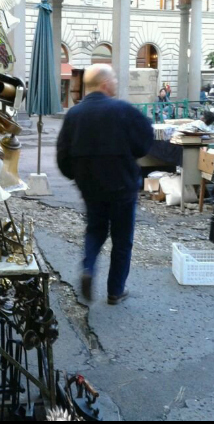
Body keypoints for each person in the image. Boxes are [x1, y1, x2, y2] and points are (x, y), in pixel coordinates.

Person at [57, 64, 155, 305]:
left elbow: (62, 156)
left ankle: (88, 268)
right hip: (122, 186)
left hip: (90, 186)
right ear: (104, 84)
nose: (116, 84)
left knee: (95, 230)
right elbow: (144, 142)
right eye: (114, 80)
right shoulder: (122, 109)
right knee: (122, 239)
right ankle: (115, 290)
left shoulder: (73, 115)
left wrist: (77, 176)